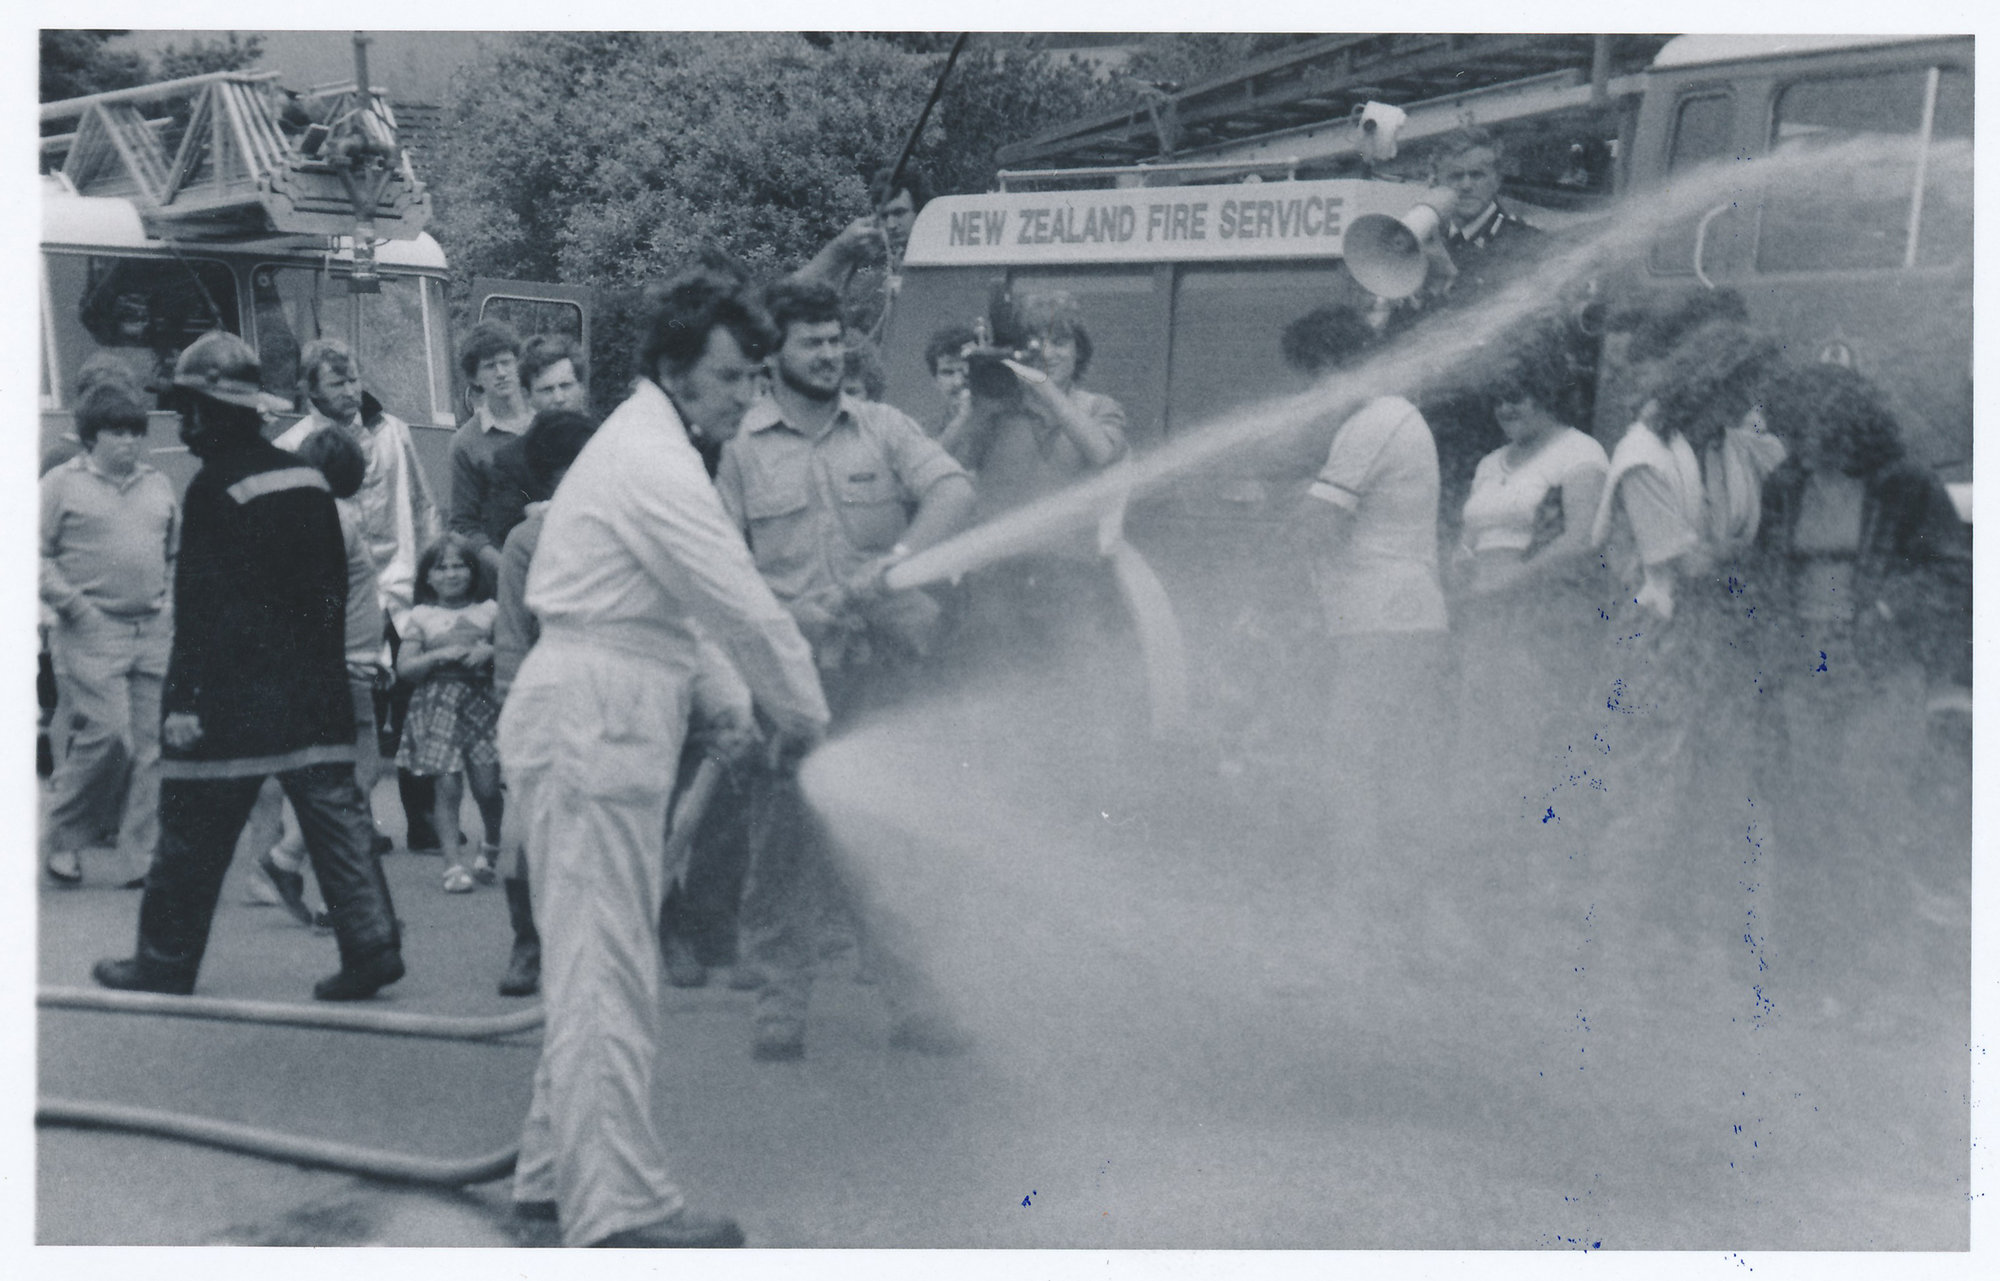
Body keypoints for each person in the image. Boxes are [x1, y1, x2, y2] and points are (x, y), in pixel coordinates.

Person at [499, 273, 828, 1247]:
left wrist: (727, 706)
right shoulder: (654, 459)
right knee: (605, 977)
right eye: (730, 377)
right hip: (592, 716)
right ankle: (618, 1215)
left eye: (753, 378)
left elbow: (676, 613)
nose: (744, 396)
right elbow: (739, 603)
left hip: (609, 709)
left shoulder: (658, 449)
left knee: (599, 965)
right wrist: (800, 713)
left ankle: (546, 1181)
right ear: (675, 371)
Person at [92, 331, 402, 1002]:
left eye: (188, 408)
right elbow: (329, 596)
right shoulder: (310, 480)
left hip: (230, 702)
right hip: (312, 691)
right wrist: (324, 674)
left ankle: (165, 961)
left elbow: (202, 610)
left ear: (211, 411)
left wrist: (185, 701)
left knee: (189, 835)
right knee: (337, 822)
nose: (183, 422)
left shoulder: (211, 490)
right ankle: (373, 944)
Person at [716, 278, 976, 1064]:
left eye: (836, 340)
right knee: (782, 843)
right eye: (813, 342)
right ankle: (780, 1004)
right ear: (776, 355)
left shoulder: (885, 428)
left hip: (884, 666)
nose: (830, 354)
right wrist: (788, 615)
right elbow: (722, 565)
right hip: (794, 681)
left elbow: (955, 490)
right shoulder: (738, 449)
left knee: (893, 835)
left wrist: (894, 564)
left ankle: (916, 1000)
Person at [1282, 303, 1450, 858]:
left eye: (1312, 376)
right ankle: (1397, 892)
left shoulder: (1372, 422)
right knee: (1392, 761)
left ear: (1333, 363)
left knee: (1348, 758)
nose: (1311, 392)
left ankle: (1358, 899)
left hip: (1382, 619)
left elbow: (1315, 525)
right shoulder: (1396, 416)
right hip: (1403, 618)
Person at [270, 336, 442, 858]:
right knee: (353, 713)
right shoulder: (292, 446)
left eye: (354, 378)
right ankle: (359, 823)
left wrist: (433, 576)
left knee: (414, 703)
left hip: (400, 584)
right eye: (337, 382)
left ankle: (425, 819)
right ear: (309, 390)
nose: (351, 390)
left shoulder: (394, 433)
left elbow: (421, 503)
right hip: (339, 599)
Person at [1451, 317, 1610, 824]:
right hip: (1483, 619)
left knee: (1531, 732)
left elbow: (1582, 538)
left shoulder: (1580, 452)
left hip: (1539, 621)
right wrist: (1462, 564)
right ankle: (1485, 846)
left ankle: (1531, 850)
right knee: (1480, 735)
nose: (1507, 408)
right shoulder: (1489, 462)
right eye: (1499, 399)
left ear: (1548, 394)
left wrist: (1511, 583)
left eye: (1520, 396)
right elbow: (1472, 536)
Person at [40, 379, 180, 888]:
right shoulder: (60, 484)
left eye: (135, 433)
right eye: (116, 433)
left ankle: (139, 857)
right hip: (91, 625)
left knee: (152, 749)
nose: (129, 442)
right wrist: (73, 605)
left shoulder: (157, 484)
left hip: (151, 627)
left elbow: (172, 552)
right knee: (109, 735)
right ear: (91, 436)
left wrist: (167, 604)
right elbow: (33, 552)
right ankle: (62, 838)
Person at [253, 427, 386, 928]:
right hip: (345, 662)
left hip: (342, 660)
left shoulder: (299, 515)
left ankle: (294, 865)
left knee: (338, 779)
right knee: (357, 775)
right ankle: (293, 864)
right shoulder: (334, 516)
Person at [491, 407, 599, 996]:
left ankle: (667, 924)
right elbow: (511, 635)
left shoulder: (621, 527)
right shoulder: (525, 542)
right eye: (568, 468)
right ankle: (528, 942)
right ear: (550, 476)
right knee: (525, 836)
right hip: (543, 700)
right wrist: (513, 717)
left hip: (611, 698)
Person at [397, 536, 505, 893]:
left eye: (459, 565)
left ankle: (490, 841)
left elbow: (511, 647)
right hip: (439, 705)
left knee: (488, 788)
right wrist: (436, 657)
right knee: (447, 786)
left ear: (473, 573)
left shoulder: (490, 611)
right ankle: (452, 864)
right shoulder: (421, 616)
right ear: (427, 578)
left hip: (482, 704)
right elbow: (406, 667)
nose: (451, 573)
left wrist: (489, 651)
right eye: (440, 567)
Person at [795, 163, 933, 341]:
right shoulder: (870, 271)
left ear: (920, 211)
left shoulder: (938, 257)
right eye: (884, 216)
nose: (891, 225)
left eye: (899, 213)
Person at [482, 333, 591, 550]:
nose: (559, 398)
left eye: (566, 386)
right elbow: (503, 529)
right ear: (527, 395)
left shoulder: (609, 444)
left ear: (582, 387)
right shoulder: (510, 460)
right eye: (547, 390)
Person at [448, 321, 534, 584]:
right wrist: (508, 568)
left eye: (506, 362)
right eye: (489, 366)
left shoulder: (548, 421)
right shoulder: (466, 443)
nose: (501, 372)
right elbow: (464, 525)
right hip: (500, 577)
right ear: (475, 378)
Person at [921, 322, 977, 451]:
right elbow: (928, 464)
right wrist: (962, 418)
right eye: (947, 372)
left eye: (965, 372)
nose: (958, 382)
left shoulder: (1003, 427)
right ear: (935, 381)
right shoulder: (922, 431)